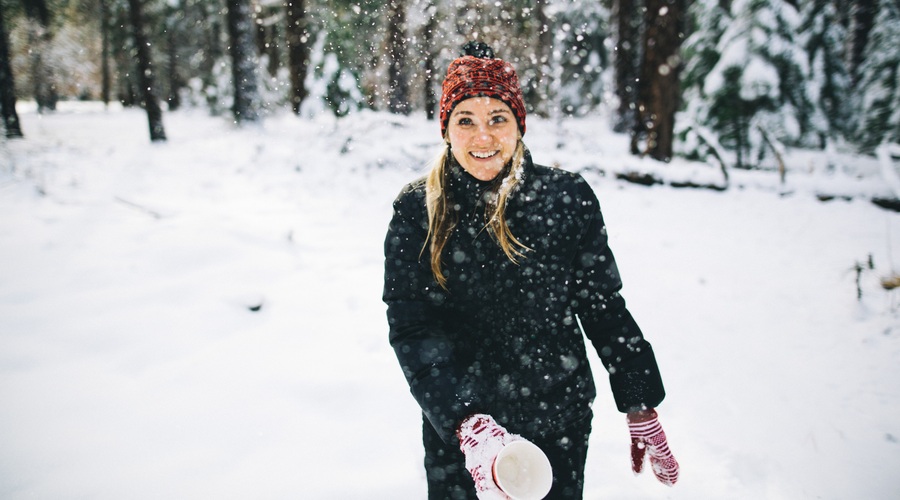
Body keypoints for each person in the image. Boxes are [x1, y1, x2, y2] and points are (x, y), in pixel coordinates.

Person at [383, 41, 679, 500]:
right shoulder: (417, 209)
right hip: (463, 435)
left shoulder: (567, 199)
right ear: (446, 130)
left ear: (518, 125)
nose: (483, 138)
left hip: (556, 420)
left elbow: (601, 304)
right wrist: (468, 423)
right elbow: (412, 326)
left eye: (497, 119)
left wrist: (639, 397)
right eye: (466, 121)